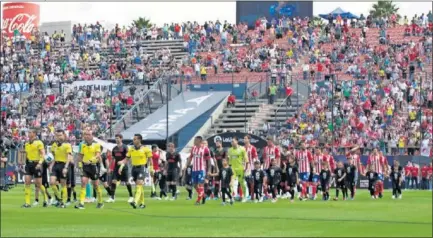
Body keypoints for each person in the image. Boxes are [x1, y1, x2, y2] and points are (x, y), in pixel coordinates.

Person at [74, 129, 104, 209]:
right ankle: (81, 203)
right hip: (85, 166)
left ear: (92, 136)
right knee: (83, 182)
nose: (86, 136)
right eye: (85, 134)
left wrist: (90, 161)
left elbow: (98, 155)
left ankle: (100, 201)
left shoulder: (96, 145)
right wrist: (79, 165)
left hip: (94, 166)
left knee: (96, 185)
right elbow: (80, 156)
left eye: (88, 134)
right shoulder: (82, 145)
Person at [123, 134, 153, 209]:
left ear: (139, 140)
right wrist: (121, 165)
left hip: (141, 168)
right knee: (139, 186)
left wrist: (151, 168)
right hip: (134, 168)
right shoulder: (131, 149)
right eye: (133, 139)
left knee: (139, 185)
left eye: (135, 139)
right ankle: (142, 203)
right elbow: (126, 159)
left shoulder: (145, 149)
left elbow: (150, 159)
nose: (133, 140)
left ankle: (135, 201)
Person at [22, 129, 48, 208]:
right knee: (27, 182)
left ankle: (45, 199)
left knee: (39, 184)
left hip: (37, 164)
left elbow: (43, 154)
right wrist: (23, 163)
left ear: (34, 133)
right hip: (29, 164)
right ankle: (27, 203)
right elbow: (25, 155)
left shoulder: (39, 143)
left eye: (30, 132)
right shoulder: (26, 144)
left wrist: (40, 163)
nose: (28, 133)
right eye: (28, 132)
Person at [49, 129, 73, 208]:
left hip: (63, 165)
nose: (59, 137)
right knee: (52, 182)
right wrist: (51, 165)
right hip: (56, 165)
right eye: (57, 135)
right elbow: (53, 156)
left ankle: (63, 202)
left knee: (63, 184)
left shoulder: (67, 145)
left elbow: (69, 157)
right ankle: (59, 198)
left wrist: (66, 167)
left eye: (60, 135)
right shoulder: (54, 145)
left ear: (64, 135)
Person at [186, 136, 211, 205]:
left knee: (201, 185)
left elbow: (208, 161)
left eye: (195, 140)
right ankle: (203, 195)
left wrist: (208, 170)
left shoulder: (205, 149)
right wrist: (187, 166)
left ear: (199, 141)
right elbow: (190, 157)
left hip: (201, 169)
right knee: (194, 185)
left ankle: (198, 200)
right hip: (194, 169)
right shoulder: (193, 148)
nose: (194, 141)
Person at [108, 134, 133, 203]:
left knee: (127, 182)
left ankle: (131, 196)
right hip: (116, 167)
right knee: (113, 181)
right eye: (116, 138)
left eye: (118, 138)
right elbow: (112, 159)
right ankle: (112, 197)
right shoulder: (114, 148)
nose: (116, 140)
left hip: (124, 167)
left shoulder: (125, 147)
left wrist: (122, 162)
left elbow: (128, 157)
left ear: (121, 139)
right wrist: (109, 168)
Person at [227, 137, 249, 203]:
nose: (232, 143)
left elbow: (246, 160)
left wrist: (246, 168)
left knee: (242, 183)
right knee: (231, 184)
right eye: (231, 142)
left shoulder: (242, 149)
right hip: (232, 169)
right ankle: (231, 197)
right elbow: (229, 160)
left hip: (240, 169)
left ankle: (245, 197)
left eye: (233, 141)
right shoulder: (230, 150)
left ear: (237, 141)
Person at [244, 135, 258, 200]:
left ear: (249, 140)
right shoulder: (242, 148)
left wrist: (255, 166)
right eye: (244, 138)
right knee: (245, 182)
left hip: (251, 167)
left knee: (251, 182)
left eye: (245, 138)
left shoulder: (253, 148)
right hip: (244, 167)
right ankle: (247, 195)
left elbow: (255, 157)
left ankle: (252, 195)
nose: (244, 139)